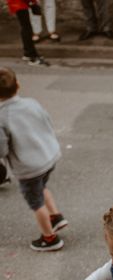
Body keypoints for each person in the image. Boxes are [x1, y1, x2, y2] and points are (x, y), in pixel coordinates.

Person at [0, 67, 66, 251]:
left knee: (36, 203)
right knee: (42, 187)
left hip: (29, 167)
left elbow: (2, 148)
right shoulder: (31, 103)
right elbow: (47, 121)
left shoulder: (2, 117)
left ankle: (50, 238)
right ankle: (56, 216)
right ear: (18, 85)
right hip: (48, 156)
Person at [7, 0, 49, 65]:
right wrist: (32, 2)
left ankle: (29, 53)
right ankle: (30, 55)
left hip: (19, 3)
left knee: (26, 27)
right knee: (26, 28)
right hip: (20, 3)